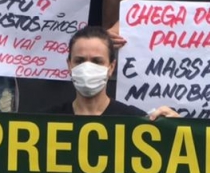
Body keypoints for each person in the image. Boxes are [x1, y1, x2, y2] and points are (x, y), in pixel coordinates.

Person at [47, 26, 178, 118]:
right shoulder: (45, 122)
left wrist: (177, 128)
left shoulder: (134, 121)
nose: (87, 68)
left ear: (111, 67)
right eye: (79, 61)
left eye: (97, 61)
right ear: (69, 65)